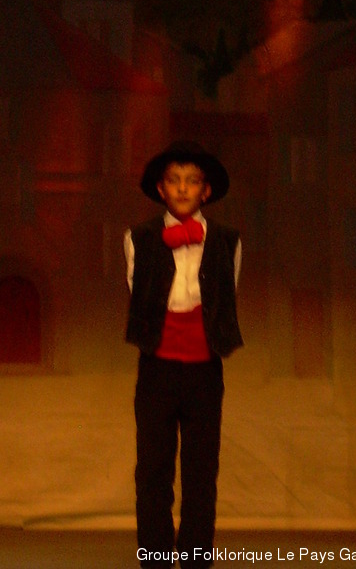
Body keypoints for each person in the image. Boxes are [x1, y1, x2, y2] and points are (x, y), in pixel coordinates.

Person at [124, 141, 243, 567]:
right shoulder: (139, 238)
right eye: (174, 180)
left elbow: (223, 296)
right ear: (161, 188)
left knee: (201, 471)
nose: (182, 188)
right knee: (153, 469)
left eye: (191, 181)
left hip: (204, 369)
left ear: (205, 191)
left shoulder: (227, 241)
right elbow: (140, 292)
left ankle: (195, 557)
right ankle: (156, 557)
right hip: (157, 367)